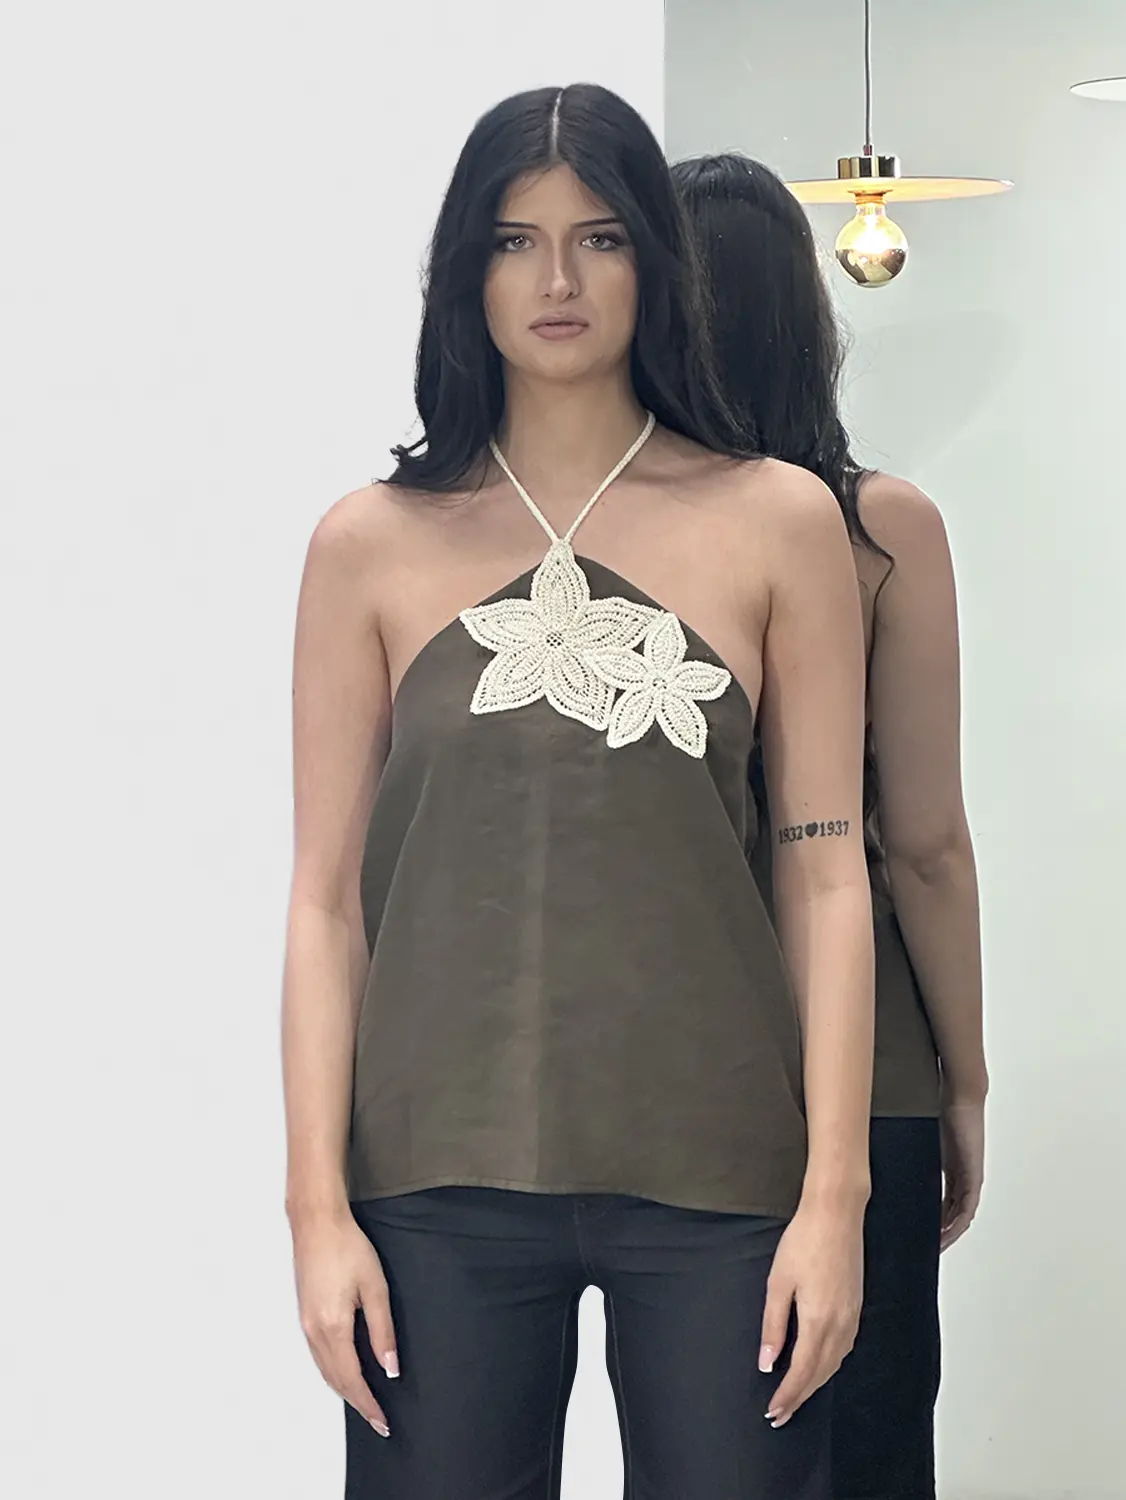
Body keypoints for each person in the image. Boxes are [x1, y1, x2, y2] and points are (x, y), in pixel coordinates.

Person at [281, 86, 876, 1500]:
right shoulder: (368, 545)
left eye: (599, 237)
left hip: (726, 1176)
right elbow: (322, 904)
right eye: (514, 240)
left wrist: (835, 1198)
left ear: (654, 261)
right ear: (463, 272)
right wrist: (314, 1209)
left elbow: (824, 872)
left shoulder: (777, 520)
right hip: (432, 1182)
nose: (556, 279)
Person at [672, 151, 988, 1500]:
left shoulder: (627, 545)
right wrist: (966, 1079)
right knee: (866, 1448)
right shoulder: (880, 530)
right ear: (807, 321)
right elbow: (923, 842)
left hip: (679, 1066)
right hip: (873, 1066)